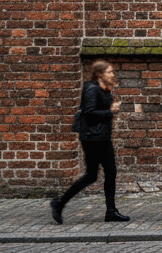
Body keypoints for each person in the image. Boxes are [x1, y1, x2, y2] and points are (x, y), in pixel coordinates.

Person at [50, 61, 130, 224]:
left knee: (111, 172)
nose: (112, 74)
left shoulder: (104, 89)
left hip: (103, 137)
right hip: (92, 138)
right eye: (109, 72)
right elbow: (89, 112)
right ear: (100, 74)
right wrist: (110, 111)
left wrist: (110, 104)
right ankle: (59, 202)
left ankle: (111, 211)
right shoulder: (91, 89)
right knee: (91, 176)